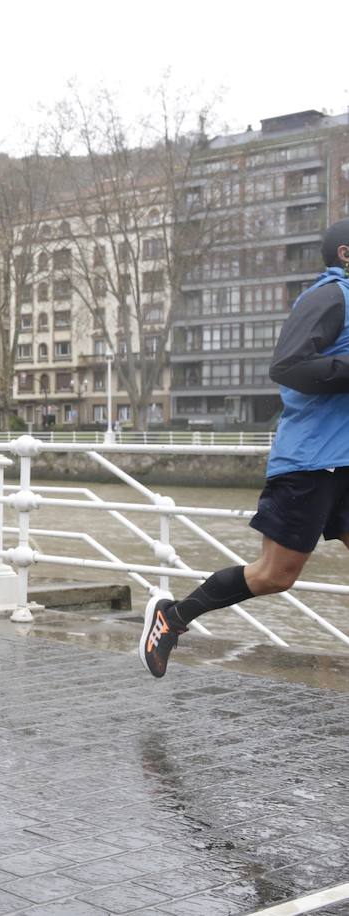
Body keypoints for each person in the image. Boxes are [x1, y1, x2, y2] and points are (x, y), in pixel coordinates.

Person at [142, 217, 349, 677]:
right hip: (311, 462)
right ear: (345, 254)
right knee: (275, 575)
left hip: (346, 463)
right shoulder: (330, 295)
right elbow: (287, 365)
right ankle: (172, 619)